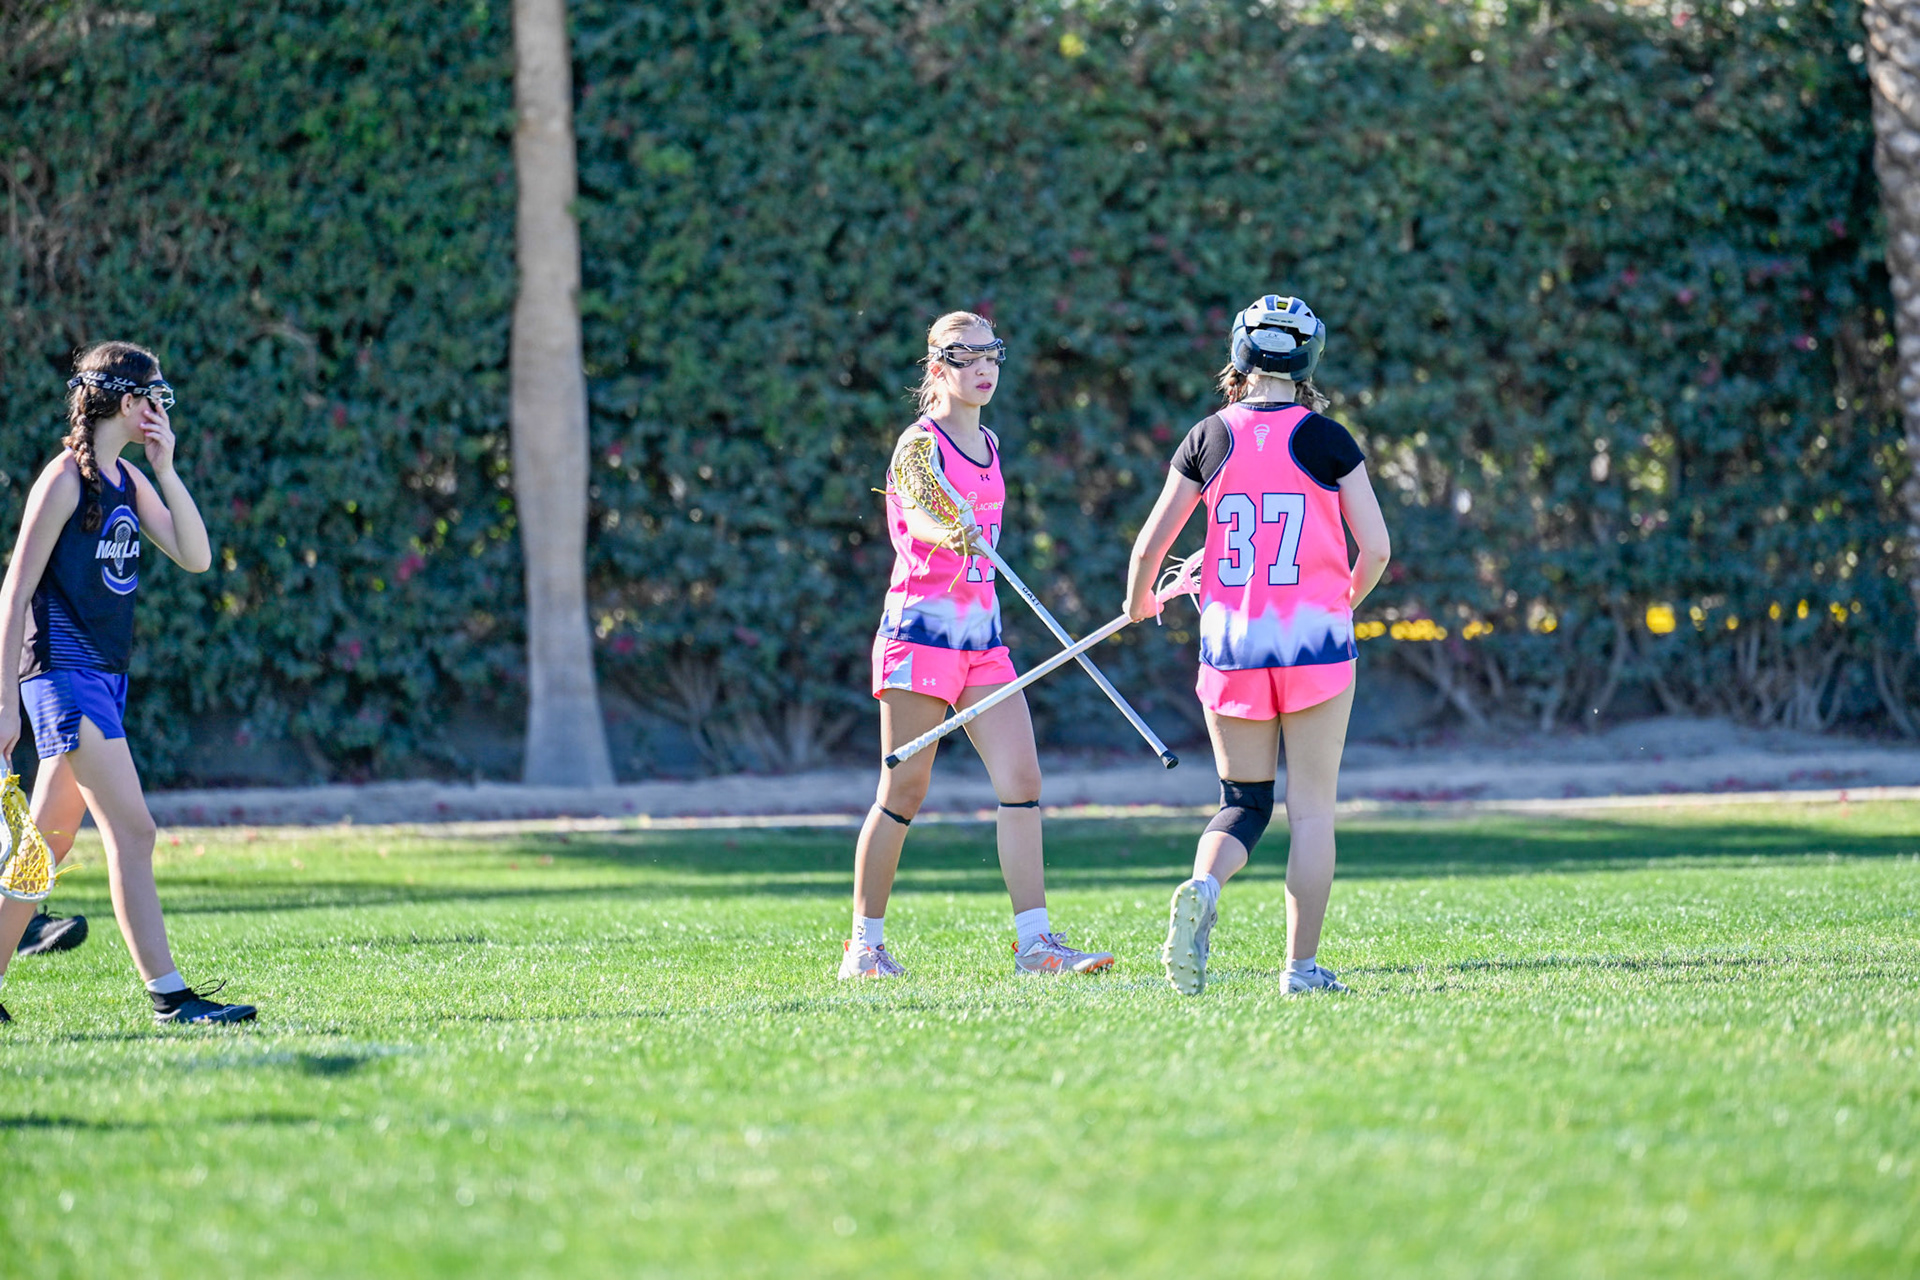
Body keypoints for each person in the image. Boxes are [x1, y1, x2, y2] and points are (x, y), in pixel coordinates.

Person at [1123, 296, 1391, 997]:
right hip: (1316, 647)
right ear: (1308, 359)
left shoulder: (1207, 436)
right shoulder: (1329, 439)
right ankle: (1300, 971)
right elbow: (1377, 549)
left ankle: (1205, 884)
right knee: (1312, 810)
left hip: (1233, 648)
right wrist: (1342, 604)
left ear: (1240, 356)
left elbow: (1150, 547)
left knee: (1242, 800)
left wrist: (1138, 601)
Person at [841, 311, 1114, 980]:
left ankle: (1036, 945)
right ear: (939, 368)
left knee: (1022, 782)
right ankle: (864, 948)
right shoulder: (918, 445)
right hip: (920, 634)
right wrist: (949, 527)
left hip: (982, 640)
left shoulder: (989, 441)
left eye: (992, 355)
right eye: (967, 358)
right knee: (904, 788)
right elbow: (918, 510)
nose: (984, 369)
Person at [0, 342, 255, 1025]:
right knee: (135, 832)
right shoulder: (63, 478)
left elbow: (196, 556)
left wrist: (166, 470)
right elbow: (14, 592)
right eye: (152, 397)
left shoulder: (129, 480)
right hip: (61, 677)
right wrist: (3, 703)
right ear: (122, 401)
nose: (160, 410)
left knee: (45, 844)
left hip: (104, 679)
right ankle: (170, 996)